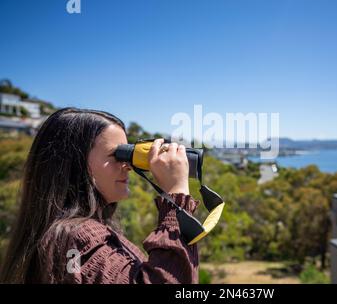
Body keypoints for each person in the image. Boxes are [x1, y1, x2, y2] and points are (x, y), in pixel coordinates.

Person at [0, 107, 199, 284]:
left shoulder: (76, 234)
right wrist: (176, 195)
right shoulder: (74, 238)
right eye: (117, 155)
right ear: (75, 164)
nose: (128, 165)